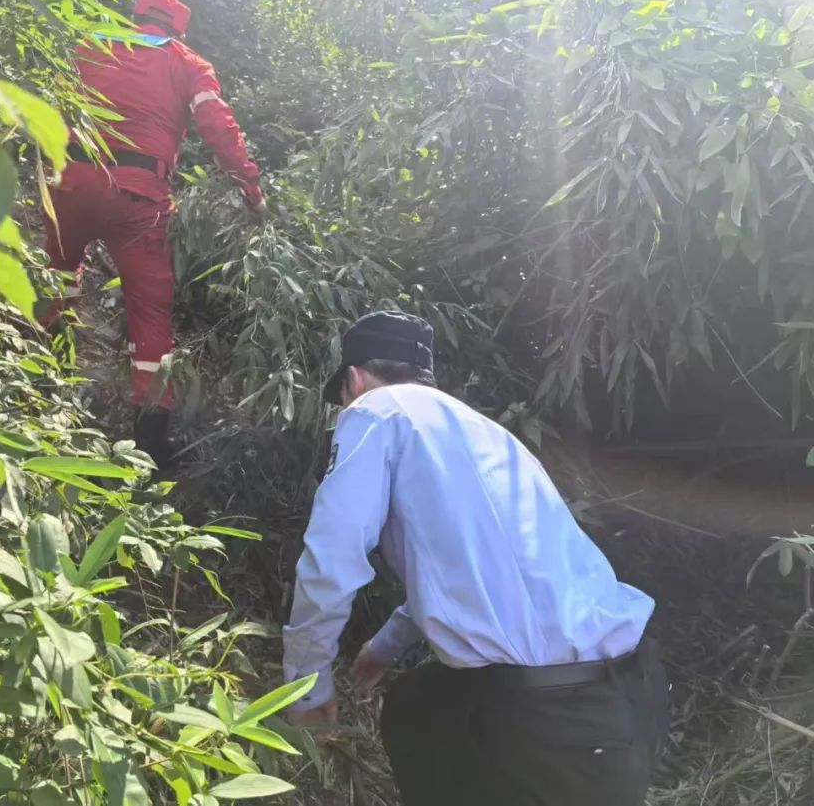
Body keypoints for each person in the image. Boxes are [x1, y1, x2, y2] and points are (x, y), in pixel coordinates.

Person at [281, 311, 670, 806]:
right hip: (633, 699)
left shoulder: (375, 410)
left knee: (416, 714)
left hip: (544, 719)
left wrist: (306, 686)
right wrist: (386, 645)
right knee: (417, 702)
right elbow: (475, 574)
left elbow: (331, 559)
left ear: (354, 380)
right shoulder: (487, 436)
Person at [42, 0, 265, 467]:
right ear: (178, 29)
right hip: (139, 197)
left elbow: (50, 103)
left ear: (136, 16)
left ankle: (41, 388)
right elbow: (219, 129)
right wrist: (251, 190)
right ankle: (149, 447)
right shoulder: (186, 63)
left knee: (57, 278)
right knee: (150, 318)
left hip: (71, 182)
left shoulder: (91, 43)